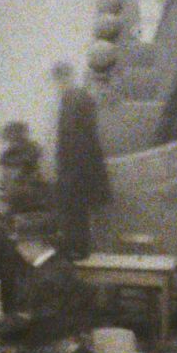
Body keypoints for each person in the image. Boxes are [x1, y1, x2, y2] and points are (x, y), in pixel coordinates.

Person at [50, 61, 111, 259]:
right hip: (84, 167)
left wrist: (64, 173)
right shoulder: (80, 97)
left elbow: (71, 140)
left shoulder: (71, 99)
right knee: (79, 213)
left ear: (61, 78)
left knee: (74, 213)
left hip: (76, 170)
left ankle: (77, 251)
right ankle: (80, 249)